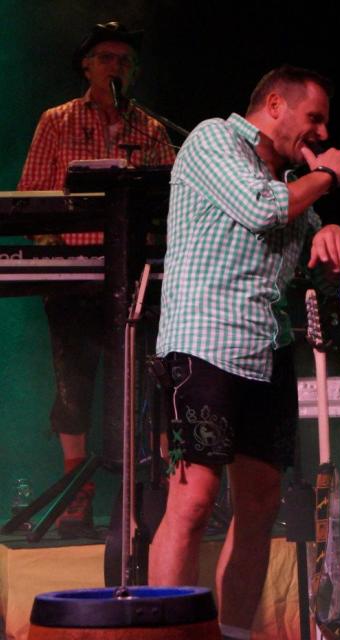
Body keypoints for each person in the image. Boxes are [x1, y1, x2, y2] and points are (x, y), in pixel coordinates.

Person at [150, 65, 340, 640]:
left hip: (267, 351)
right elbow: (263, 207)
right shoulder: (214, 138)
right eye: (314, 118)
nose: (321, 133)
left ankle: (234, 633)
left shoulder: (292, 182)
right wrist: (329, 176)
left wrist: (325, 234)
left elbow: (306, 246)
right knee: (194, 501)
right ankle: (168, 635)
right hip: (204, 343)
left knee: (261, 507)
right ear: (275, 105)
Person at [17, 21, 175, 537]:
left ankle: (156, 493)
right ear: (86, 66)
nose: (116, 67)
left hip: (137, 275)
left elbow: (175, 200)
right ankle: (76, 496)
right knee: (74, 383)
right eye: (106, 58)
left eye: (125, 61)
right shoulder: (56, 121)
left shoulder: (151, 129)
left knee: (148, 382)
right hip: (77, 275)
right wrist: (58, 255)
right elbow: (32, 196)